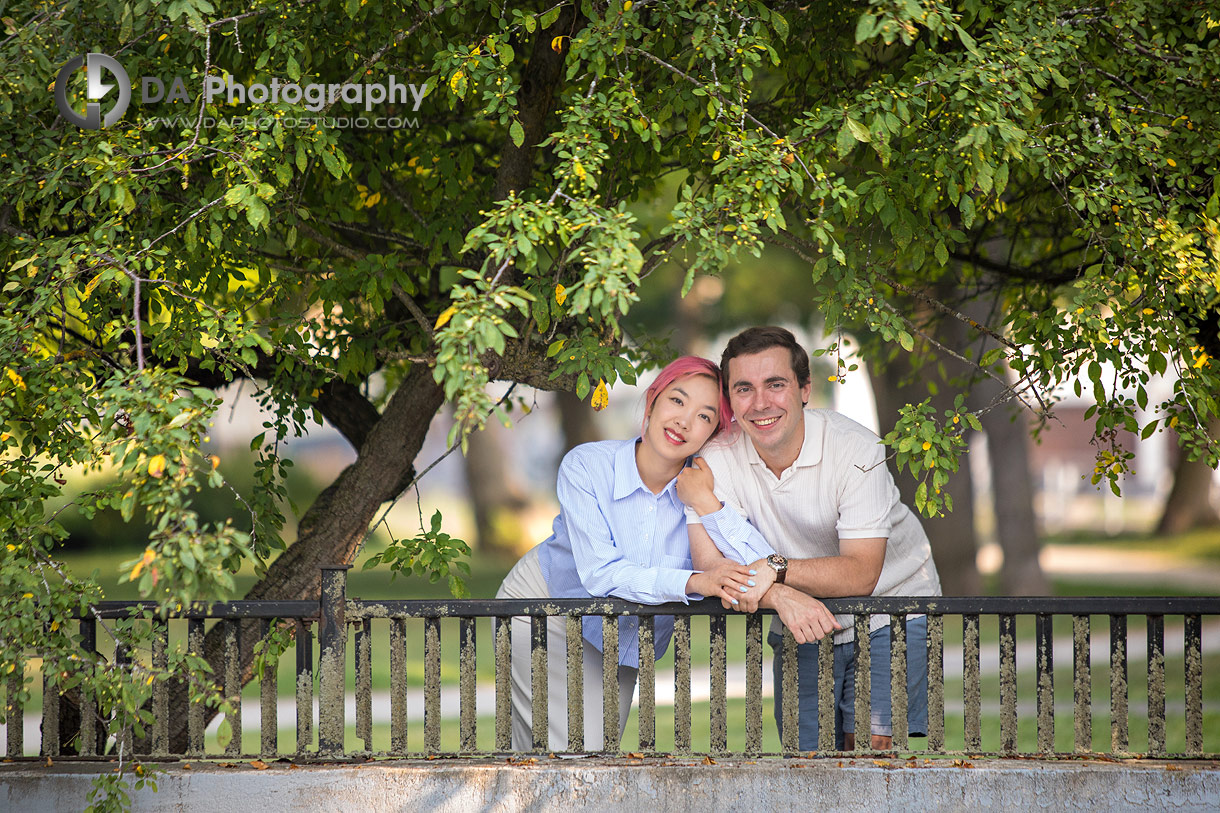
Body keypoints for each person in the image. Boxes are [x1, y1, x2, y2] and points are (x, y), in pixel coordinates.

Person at [496, 356, 835, 752]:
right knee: (573, 755)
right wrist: (696, 581)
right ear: (653, 400)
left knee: (580, 753)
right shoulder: (588, 466)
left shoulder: (707, 486)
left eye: (705, 416)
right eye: (677, 401)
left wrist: (706, 503)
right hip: (545, 607)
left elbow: (754, 557)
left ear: (714, 432)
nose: (684, 421)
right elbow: (602, 574)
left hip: (618, 631)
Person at [678, 326, 942, 750]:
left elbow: (861, 574)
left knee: (868, 753)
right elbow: (712, 568)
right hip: (799, 612)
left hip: (890, 605)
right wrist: (780, 594)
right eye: (744, 388)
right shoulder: (715, 461)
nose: (760, 403)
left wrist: (775, 569)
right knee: (806, 758)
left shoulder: (857, 450)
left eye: (775, 385)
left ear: (804, 389)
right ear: (730, 398)